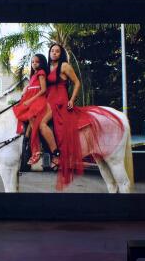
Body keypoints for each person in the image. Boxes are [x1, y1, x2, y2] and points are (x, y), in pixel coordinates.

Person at [43, 42, 124, 190]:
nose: (54, 53)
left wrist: (72, 100)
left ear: (61, 54)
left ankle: (59, 156)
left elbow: (77, 83)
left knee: (62, 128)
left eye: (57, 51)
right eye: (52, 51)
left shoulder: (64, 66)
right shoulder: (47, 69)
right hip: (49, 102)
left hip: (61, 101)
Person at [11, 53, 56, 167]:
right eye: (32, 62)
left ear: (41, 63)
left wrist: (30, 101)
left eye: (37, 62)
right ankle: (27, 138)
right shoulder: (34, 75)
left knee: (32, 117)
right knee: (21, 114)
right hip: (30, 99)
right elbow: (31, 87)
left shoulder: (41, 73)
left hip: (38, 100)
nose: (34, 64)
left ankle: (35, 148)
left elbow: (43, 90)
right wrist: (26, 90)